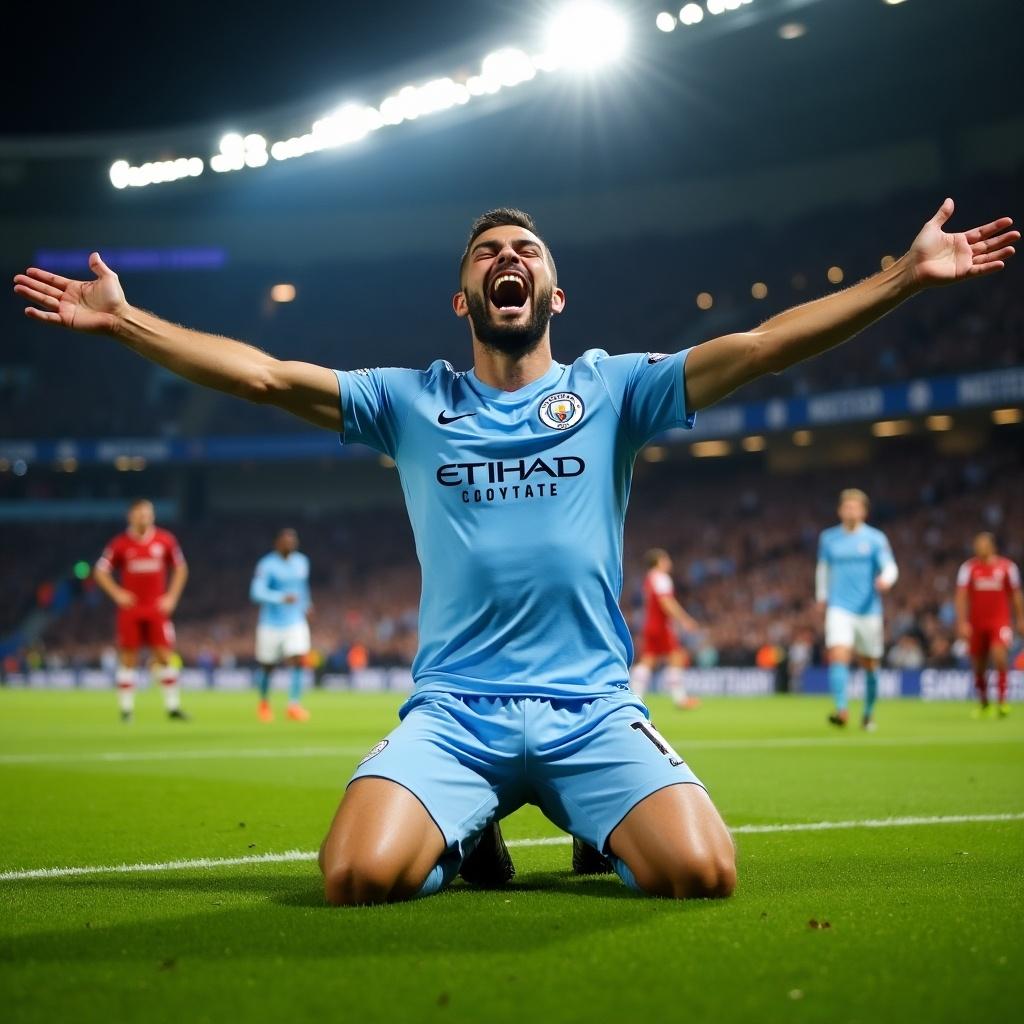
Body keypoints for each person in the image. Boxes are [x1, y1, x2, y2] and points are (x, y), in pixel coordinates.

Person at [14, 197, 1016, 904]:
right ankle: (468, 824)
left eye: (527, 249)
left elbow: (758, 345)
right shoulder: (410, 401)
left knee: (703, 872)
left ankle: (589, 817)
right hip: (455, 714)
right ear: (464, 297)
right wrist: (127, 321)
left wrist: (901, 277)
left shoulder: (614, 388)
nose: (510, 257)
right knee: (356, 876)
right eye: (491, 250)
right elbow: (270, 378)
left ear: (554, 291)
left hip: (591, 708)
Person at [93, 498, 190, 722]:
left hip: (156, 609)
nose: (144, 517)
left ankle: (173, 707)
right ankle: (126, 710)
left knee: (165, 656)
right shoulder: (120, 544)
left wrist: (172, 597)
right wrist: (117, 593)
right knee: (128, 658)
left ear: (153, 516)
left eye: (147, 513)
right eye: (139, 514)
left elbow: (181, 568)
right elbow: (100, 571)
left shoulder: (165, 540)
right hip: (131, 610)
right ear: (131, 516)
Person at [816, 489, 898, 730]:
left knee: (870, 663)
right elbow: (823, 570)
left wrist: (886, 580)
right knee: (838, 654)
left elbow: (890, 566)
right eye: (847, 506)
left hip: (868, 609)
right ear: (840, 510)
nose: (850, 510)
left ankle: (868, 713)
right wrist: (821, 596)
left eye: (855, 507)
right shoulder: (828, 538)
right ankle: (841, 709)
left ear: (863, 511)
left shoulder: (875, 539)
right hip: (839, 607)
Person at [956, 532, 1024, 718]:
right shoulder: (968, 568)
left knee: (1000, 657)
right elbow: (961, 597)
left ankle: (1002, 702)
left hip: (999, 622)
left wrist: (1020, 619)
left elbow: (1016, 595)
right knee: (979, 665)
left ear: (992, 546)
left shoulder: (1007, 567)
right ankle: (984, 702)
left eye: (983, 544)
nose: (979, 547)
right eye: (977, 544)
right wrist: (962, 622)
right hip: (976, 623)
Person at [250, 528, 313, 722]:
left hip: (295, 620)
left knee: (298, 658)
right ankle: (264, 703)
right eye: (286, 540)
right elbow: (256, 592)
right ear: (277, 542)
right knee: (268, 666)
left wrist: (307, 604)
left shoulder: (302, 562)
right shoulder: (267, 565)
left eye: (293, 540)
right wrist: (280, 597)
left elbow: (302, 587)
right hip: (270, 623)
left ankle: (293, 705)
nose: (291, 543)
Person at [630, 548, 701, 708]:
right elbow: (666, 602)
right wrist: (684, 619)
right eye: (666, 559)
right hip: (661, 626)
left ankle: (636, 697)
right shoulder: (661, 577)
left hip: (650, 624)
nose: (669, 562)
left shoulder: (649, 578)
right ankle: (681, 699)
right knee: (676, 657)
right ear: (659, 561)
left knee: (648, 660)